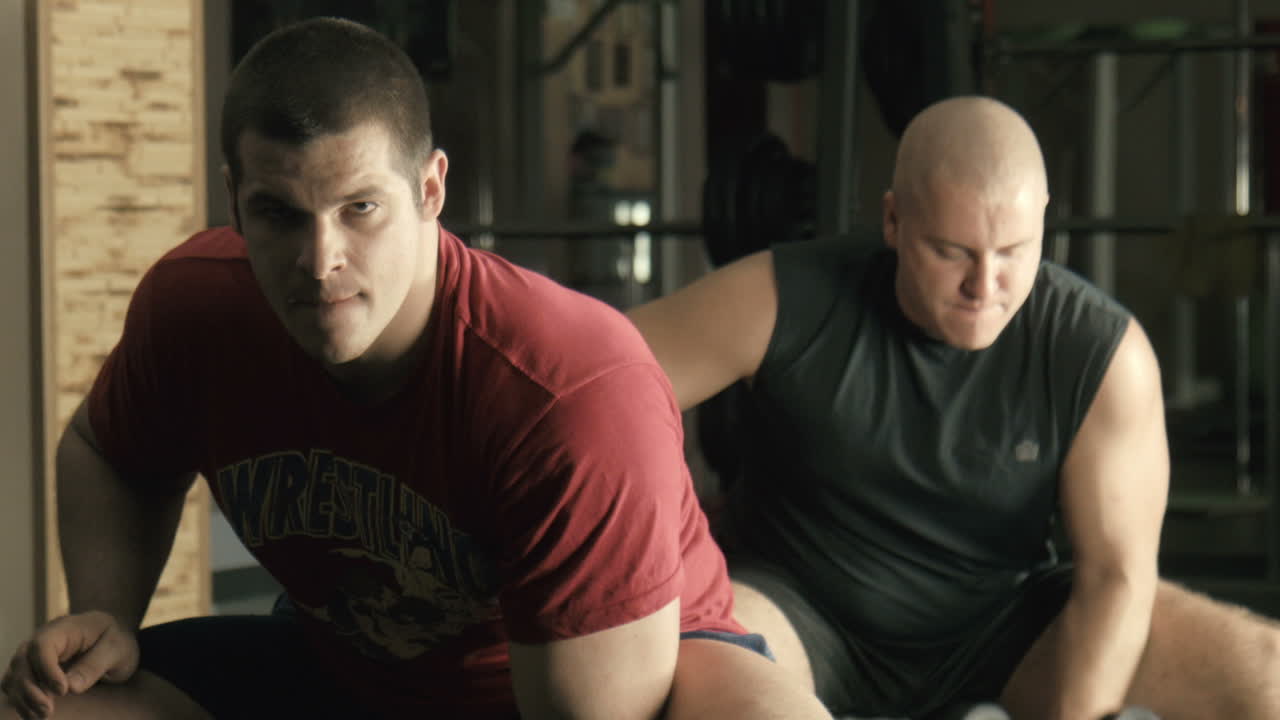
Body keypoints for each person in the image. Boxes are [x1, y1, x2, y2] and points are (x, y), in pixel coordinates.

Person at [0, 17, 831, 720]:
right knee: (50, 704)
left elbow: (589, 713)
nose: (319, 261)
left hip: (623, 680)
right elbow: (109, 451)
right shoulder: (194, 311)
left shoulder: (568, 392)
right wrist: (107, 614)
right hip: (358, 665)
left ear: (431, 190)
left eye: (360, 208)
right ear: (234, 201)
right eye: (279, 214)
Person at [626, 95, 1280, 720]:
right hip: (797, 609)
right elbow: (589, 385)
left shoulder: (1102, 354)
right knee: (715, 697)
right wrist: (654, 538)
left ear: (1044, 222)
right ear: (893, 220)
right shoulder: (780, 298)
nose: (984, 286)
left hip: (1001, 624)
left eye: (1014, 252)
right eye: (952, 252)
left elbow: (1117, 576)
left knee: (1266, 673)